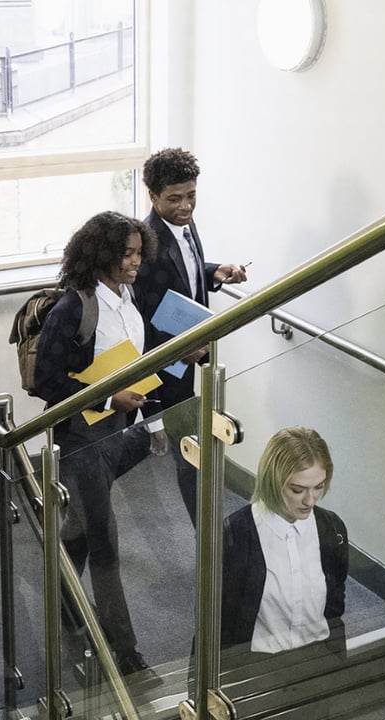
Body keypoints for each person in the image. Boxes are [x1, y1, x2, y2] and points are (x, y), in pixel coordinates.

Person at [32, 210, 165, 682]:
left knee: (85, 529)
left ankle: (63, 602)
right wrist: (109, 396)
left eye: (138, 253)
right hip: (82, 439)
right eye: (126, 254)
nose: (135, 262)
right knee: (105, 540)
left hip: (121, 432)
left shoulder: (129, 299)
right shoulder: (74, 308)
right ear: (102, 255)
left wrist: (149, 426)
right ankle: (124, 652)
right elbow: (46, 381)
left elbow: (136, 363)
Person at [134, 147, 248, 526]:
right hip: (165, 364)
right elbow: (140, 318)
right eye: (175, 199)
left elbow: (186, 274)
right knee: (190, 450)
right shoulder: (144, 243)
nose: (185, 206)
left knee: (191, 447)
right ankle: (208, 535)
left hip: (191, 357)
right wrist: (178, 351)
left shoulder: (185, 224)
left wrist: (216, 272)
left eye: (191, 196)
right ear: (153, 196)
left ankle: (207, 532)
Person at [220, 427, 348, 660]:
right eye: (297, 490)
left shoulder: (332, 528)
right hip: (258, 665)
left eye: (319, 486)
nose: (310, 500)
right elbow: (218, 624)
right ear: (273, 480)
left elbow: (335, 601)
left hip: (319, 657)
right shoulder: (233, 535)